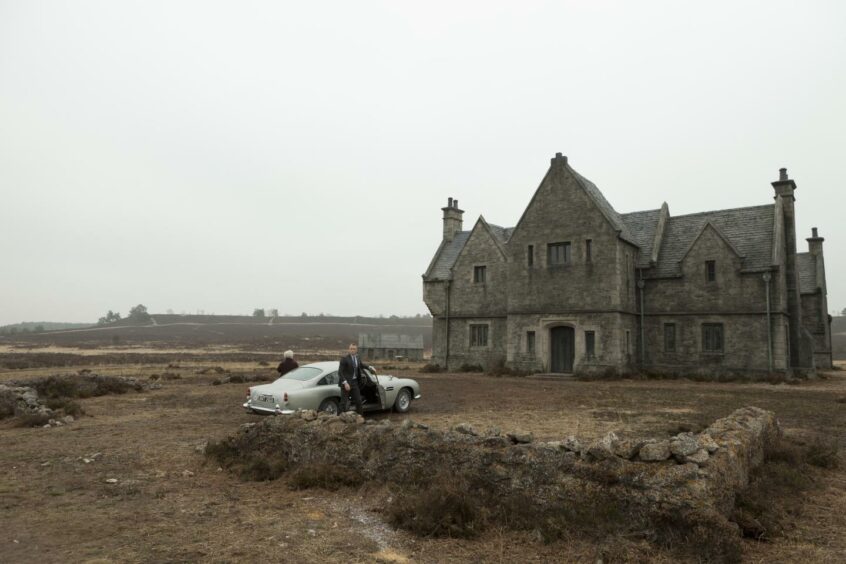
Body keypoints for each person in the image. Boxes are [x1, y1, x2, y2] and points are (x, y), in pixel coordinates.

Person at [338, 343, 373, 414]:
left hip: (354, 383)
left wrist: (369, 367)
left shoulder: (357, 357)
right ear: (349, 349)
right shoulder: (344, 359)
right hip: (346, 384)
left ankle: (360, 417)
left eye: (354, 349)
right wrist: (345, 383)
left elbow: (361, 365)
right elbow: (340, 372)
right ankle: (339, 419)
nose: (352, 350)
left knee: (358, 401)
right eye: (351, 349)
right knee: (343, 403)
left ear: (356, 350)